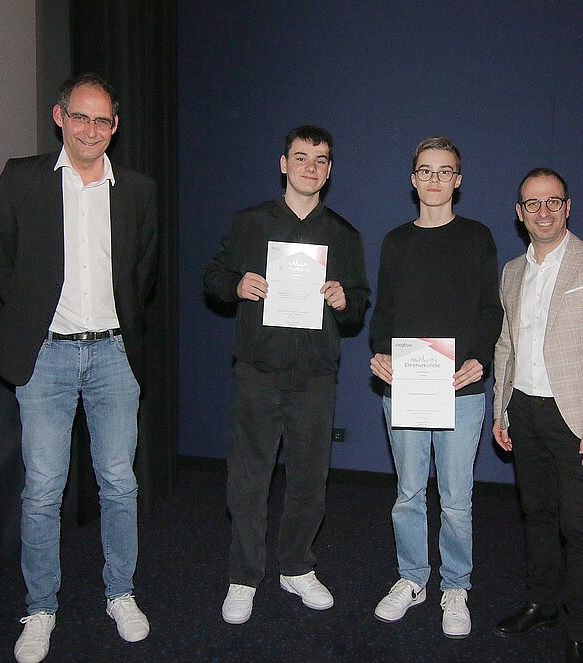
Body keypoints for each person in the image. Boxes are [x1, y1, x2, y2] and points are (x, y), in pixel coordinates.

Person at [0, 73, 158, 663]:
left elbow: (142, 272)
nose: (91, 129)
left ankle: (121, 592)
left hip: (114, 355)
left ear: (115, 127)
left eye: (103, 120)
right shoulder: (22, 178)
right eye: (80, 117)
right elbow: (3, 264)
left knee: (119, 483)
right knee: (42, 490)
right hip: (45, 356)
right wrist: (38, 323)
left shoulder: (137, 189)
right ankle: (40, 608)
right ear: (59, 117)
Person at [204, 125, 369, 625]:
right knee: (248, 480)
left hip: (315, 378)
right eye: (301, 158)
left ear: (330, 170)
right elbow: (213, 277)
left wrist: (345, 301)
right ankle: (244, 575)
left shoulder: (344, 234)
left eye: (321, 160)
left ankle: (297, 567)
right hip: (257, 373)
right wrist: (238, 284)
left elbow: (359, 305)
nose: (311, 167)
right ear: (283, 164)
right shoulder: (249, 222)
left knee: (308, 480)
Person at [492, 168, 583, 663]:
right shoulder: (512, 271)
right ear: (520, 213)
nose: (543, 211)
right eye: (532, 204)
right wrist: (501, 408)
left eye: (552, 201)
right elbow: (506, 344)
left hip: (578, 418)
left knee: (578, 525)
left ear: (568, 207)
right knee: (537, 516)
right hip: (525, 412)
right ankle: (542, 603)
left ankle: (581, 629)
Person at [368, 137, 501, 638]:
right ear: (413, 179)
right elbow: (384, 312)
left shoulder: (478, 238)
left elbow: (491, 311)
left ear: (458, 181)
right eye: (425, 171)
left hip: (460, 389)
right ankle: (411, 578)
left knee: (455, 499)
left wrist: (478, 360)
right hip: (406, 385)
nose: (434, 180)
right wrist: (378, 352)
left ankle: (456, 587)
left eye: (445, 172)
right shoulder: (396, 241)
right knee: (406, 494)